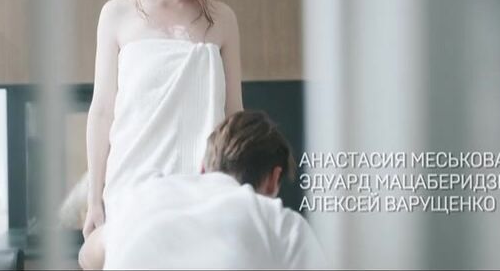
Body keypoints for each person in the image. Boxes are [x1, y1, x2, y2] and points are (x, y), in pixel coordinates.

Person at [79, 0, 244, 246]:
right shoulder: (117, 16)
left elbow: (234, 115)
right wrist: (94, 200)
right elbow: (102, 112)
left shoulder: (223, 20)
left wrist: (238, 192)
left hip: (203, 194)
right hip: (132, 191)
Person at [79, 110, 328, 270]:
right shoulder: (279, 224)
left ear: (202, 168)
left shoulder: (143, 195)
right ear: (274, 179)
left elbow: (87, 256)